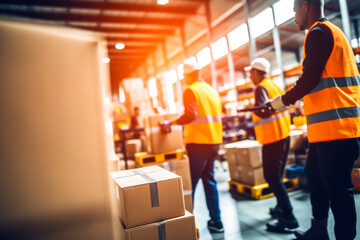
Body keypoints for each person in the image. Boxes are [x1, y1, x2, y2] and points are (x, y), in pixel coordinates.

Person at [268, 0, 360, 239]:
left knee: (339, 192)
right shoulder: (333, 32)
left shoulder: (318, 33)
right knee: (316, 180)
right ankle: (319, 229)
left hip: (337, 130)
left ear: (306, 6)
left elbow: (308, 79)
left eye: (294, 11)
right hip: (325, 132)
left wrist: (280, 102)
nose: (294, 17)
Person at [168, 62, 224, 233]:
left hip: (198, 144)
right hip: (214, 141)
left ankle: (185, 225)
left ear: (189, 75)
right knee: (209, 181)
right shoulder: (211, 90)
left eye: (184, 76)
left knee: (189, 185)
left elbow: (190, 115)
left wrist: (172, 123)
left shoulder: (190, 90)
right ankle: (217, 221)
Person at [246, 58, 299, 232]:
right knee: (277, 176)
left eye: (251, 73)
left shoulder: (261, 87)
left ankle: (289, 218)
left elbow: (264, 111)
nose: (250, 76)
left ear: (256, 72)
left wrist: (252, 110)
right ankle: (280, 208)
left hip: (272, 139)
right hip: (283, 136)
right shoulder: (275, 86)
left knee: (272, 178)